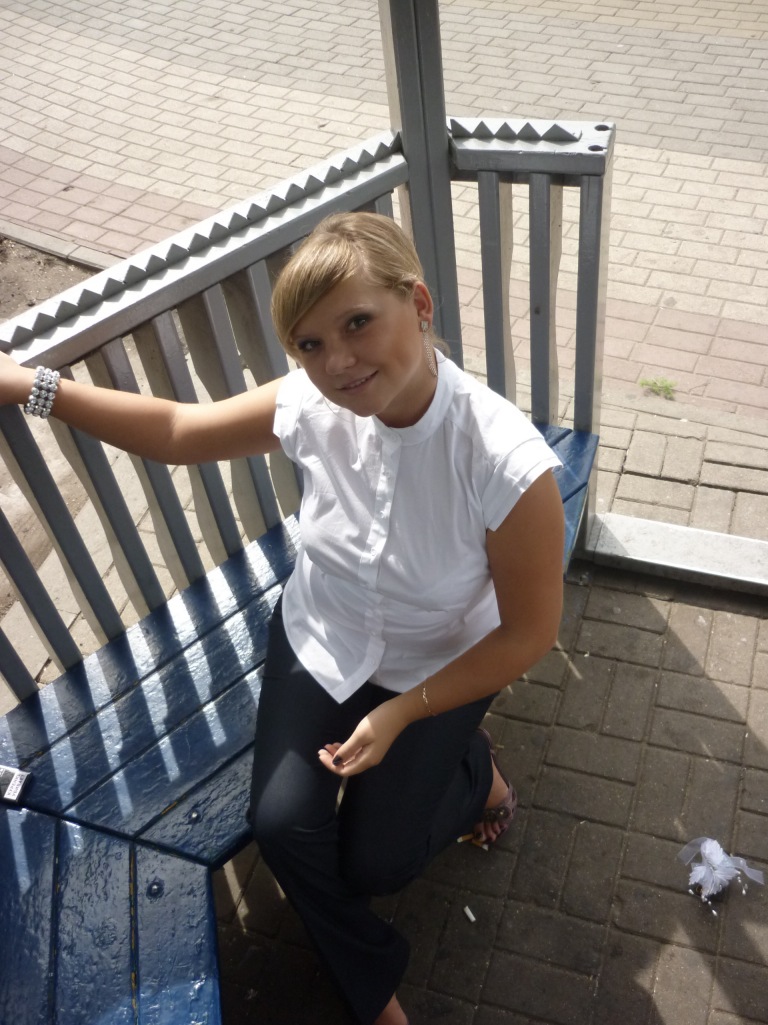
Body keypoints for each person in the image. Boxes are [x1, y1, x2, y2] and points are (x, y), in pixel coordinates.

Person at [0, 212, 564, 1025]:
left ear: (419, 303)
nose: (336, 362)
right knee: (282, 825)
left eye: (358, 323)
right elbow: (178, 431)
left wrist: (404, 712)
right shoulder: (310, 402)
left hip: (437, 668)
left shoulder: (503, 459)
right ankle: (375, 994)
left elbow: (528, 633)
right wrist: (30, 385)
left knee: (377, 862)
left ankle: (471, 767)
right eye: (309, 343)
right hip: (320, 638)